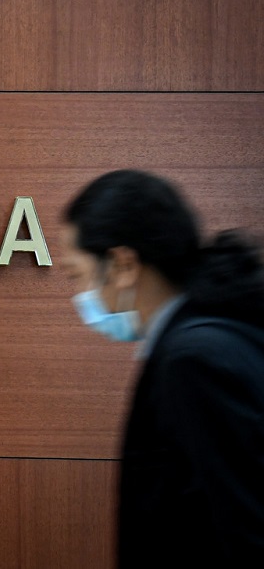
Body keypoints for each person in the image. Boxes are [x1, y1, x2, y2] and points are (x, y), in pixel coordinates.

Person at [62, 169, 264, 567]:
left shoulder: (194, 361)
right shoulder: (220, 334)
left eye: (80, 276)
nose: (82, 296)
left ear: (123, 265)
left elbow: (245, 529)